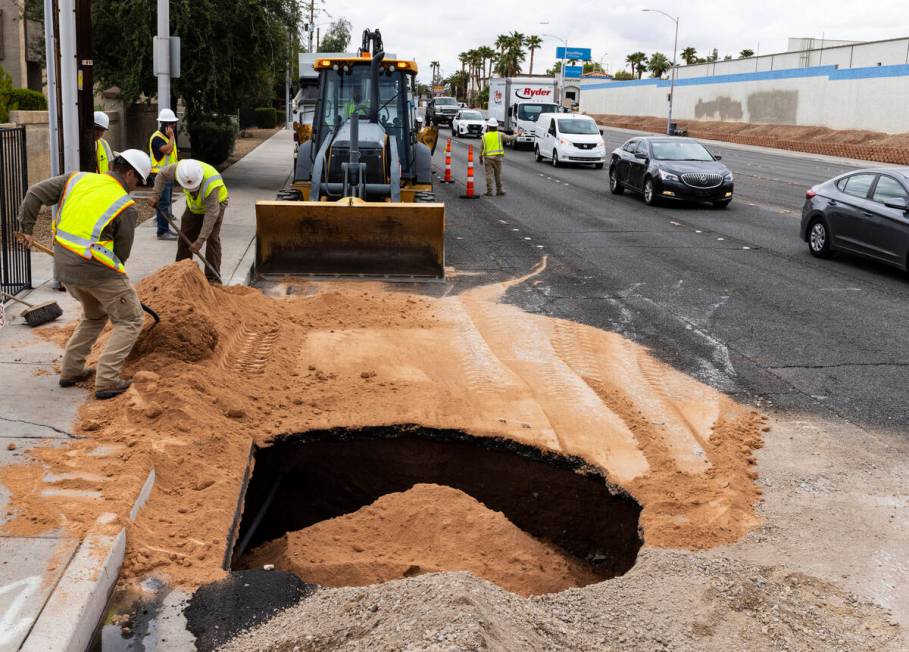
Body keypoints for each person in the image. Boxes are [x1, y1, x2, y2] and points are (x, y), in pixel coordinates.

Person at [16, 150, 152, 400]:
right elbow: (122, 254)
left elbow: (34, 192)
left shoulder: (77, 179)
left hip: (64, 268)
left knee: (95, 315)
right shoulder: (124, 206)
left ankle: (71, 370)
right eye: (138, 180)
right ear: (130, 173)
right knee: (130, 319)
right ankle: (108, 380)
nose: (136, 186)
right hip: (98, 271)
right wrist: (118, 288)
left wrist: (26, 228)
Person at [150, 159, 228, 283]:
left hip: (217, 204)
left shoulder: (211, 184)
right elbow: (161, 174)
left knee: (212, 238)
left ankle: (213, 278)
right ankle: (180, 272)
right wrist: (155, 195)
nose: (193, 191)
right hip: (194, 207)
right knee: (184, 236)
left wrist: (200, 240)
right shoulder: (179, 169)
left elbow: (211, 215)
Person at [148, 108, 180, 241]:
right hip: (160, 175)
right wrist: (172, 136)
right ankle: (162, 231)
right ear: (165, 124)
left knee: (166, 203)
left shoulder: (166, 137)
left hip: (168, 175)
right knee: (163, 203)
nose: (174, 126)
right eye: (172, 123)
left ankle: (165, 229)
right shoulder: (157, 138)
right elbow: (167, 151)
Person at [479, 118, 514, 197]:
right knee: (498, 175)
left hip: (488, 158)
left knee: (489, 175)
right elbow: (510, 138)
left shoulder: (484, 136)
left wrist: (480, 158)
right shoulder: (500, 134)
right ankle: (499, 190)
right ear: (496, 127)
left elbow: (482, 148)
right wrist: (518, 134)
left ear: (488, 126)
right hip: (498, 158)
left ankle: (489, 191)